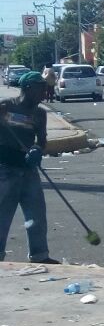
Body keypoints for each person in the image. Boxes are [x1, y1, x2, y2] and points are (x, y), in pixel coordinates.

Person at [0, 71, 56, 264]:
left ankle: (40, 256)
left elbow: (42, 140)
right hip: (5, 168)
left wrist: (37, 150)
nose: (44, 94)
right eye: (41, 89)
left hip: (29, 169)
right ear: (28, 88)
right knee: (2, 216)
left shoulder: (40, 114)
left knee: (37, 214)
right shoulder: (5, 107)